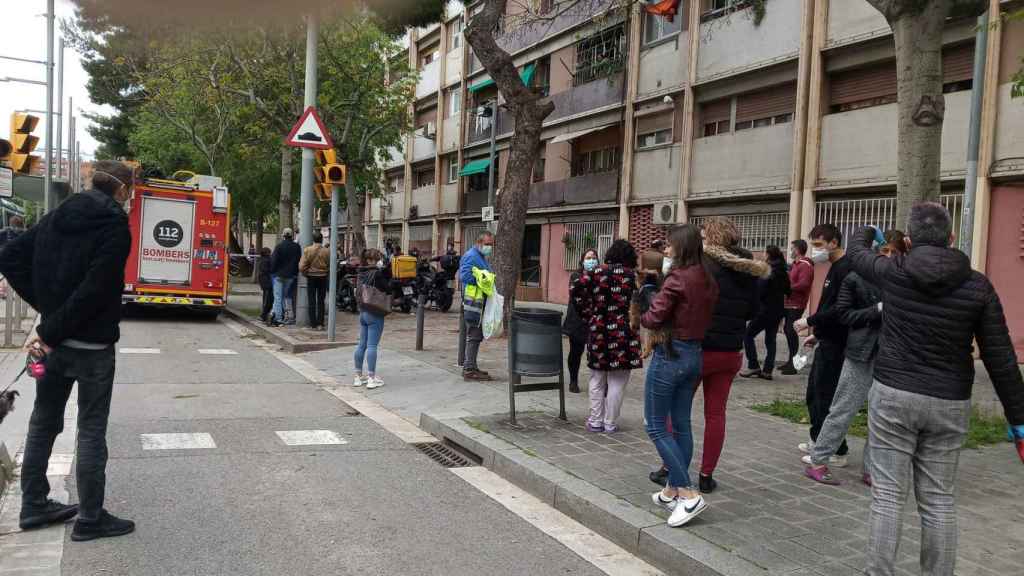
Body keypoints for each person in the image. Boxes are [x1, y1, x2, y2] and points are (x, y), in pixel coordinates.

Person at [847, 205, 1024, 576]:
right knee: (940, 500)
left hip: (894, 394)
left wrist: (870, 229)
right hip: (950, 400)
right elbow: (1000, 354)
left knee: (888, 497)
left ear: (908, 241)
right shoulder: (978, 285)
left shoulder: (893, 271)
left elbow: (856, 252)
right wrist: (1019, 417)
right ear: (952, 238)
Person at [0, 160, 135, 541]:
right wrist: (51, 326)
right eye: (131, 190)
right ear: (122, 189)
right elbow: (95, 290)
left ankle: (34, 505)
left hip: (54, 347)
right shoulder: (114, 228)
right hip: (92, 346)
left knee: (43, 421)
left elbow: (9, 257)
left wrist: (48, 317)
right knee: (91, 429)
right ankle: (91, 518)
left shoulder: (58, 216)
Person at [651, 217, 768, 490]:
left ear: (710, 239)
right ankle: (706, 475)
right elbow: (753, 311)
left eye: (703, 236)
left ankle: (671, 468)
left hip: (697, 349)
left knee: (678, 412)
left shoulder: (701, 266)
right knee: (716, 414)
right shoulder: (748, 270)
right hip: (730, 353)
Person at [804, 230, 905, 486]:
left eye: (895, 252)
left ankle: (872, 469)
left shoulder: (906, 280)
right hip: (860, 352)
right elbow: (845, 314)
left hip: (892, 356)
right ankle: (819, 459)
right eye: (885, 251)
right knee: (842, 407)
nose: (889, 257)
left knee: (881, 415)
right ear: (875, 252)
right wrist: (877, 310)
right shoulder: (855, 277)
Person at [642, 225, 719, 528]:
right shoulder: (707, 276)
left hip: (670, 354)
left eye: (670, 246)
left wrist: (647, 301)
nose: (666, 250)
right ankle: (674, 488)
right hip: (694, 354)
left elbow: (652, 317)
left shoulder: (677, 278)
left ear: (682, 247)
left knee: (657, 426)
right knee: (682, 424)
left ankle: (687, 493)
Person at [794, 224, 853, 464]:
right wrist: (817, 334)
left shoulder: (845, 268)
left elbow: (839, 309)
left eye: (818, 245)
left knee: (825, 395)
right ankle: (818, 438)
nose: (815, 250)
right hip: (827, 339)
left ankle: (835, 449)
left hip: (838, 343)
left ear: (834, 242)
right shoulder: (832, 266)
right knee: (814, 393)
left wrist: (810, 321)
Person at [571, 240, 643, 433]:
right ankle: (610, 423)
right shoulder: (633, 277)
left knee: (597, 378)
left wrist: (589, 314)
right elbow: (641, 304)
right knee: (618, 380)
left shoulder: (596, 272)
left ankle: (595, 421)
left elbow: (576, 289)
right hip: (624, 333)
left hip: (599, 330)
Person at [739, 245, 790, 380]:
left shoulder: (768, 270)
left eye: (764, 252)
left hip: (765, 310)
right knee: (770, 340)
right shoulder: (783, 270)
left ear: (768, 255)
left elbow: (759, 291)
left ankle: (753, 365)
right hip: (778, 311)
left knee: (748, 335)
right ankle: (768, 370)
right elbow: (788, 290)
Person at [459, 230, 495, 381]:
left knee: (476, 335)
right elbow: (465, 276)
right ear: (479, 243)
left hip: (479, 303)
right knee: (474, 335)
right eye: (487, 244)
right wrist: (483, 279)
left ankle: (472, 366)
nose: (489, 247)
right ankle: (469, 368)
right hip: (473, 303)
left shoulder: (481, 256)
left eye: (491, 245)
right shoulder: (471, 256)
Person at [562, 248, 599, 394]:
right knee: (576, 352)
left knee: (595, 353)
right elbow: (578, 291)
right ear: (582, 261)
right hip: (577, 319)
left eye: (594, 257)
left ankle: (598, 383)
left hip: (594, 320)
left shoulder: (600, 276)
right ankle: (573, 380)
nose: (591, 260)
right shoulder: (576, 276)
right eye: (588, 258)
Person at [353, 249, 391, 390]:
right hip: (374, 312)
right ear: (375, 260)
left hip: (363, 312)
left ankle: (357, 376)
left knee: (361, 344)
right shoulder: (377, 274)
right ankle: (371, 377)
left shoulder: (360, 272)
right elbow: (388, 289)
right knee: (372, 346)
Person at [780, 240, 813, 375]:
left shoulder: (805, 265)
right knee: (788, 331)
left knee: (790, 330)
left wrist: (787, 288)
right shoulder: (795, 265)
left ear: (798, 250)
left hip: (796, 303)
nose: (790, 251)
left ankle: (794, 364)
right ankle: (790, 361)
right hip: (789, 302)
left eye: (792, 248)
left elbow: (804, 284)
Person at [269, 228, 301, 326]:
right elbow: (298, 260)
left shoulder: (279, 246)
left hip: (278, 275)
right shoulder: (297, 247)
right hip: (290, 275)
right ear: (292, 236)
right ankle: (282, 315)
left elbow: (274, 261)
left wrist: (272, 271)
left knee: (278, 297)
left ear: (283, 235)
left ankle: (278, 318)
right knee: (283, 296)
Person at [299, 231, 330, 329]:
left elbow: (302, 266)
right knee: (321, 300)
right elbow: (331, 264)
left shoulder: (308, 250)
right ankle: (320, 323)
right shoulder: (327, 251)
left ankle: (313, 323)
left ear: (313, 239)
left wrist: (306, 273)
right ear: (322, 239)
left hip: (311, 277)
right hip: (323, 277)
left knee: (311, 300)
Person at [258, 247, 273, 323]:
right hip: (267, 282)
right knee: (267, 299)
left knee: (266, 298)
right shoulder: (267, 260)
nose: (270, 254)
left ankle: (264, 314)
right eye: (269, 252)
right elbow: (268, 270)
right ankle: (263, 315)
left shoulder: (262, 260)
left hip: (264, 282)